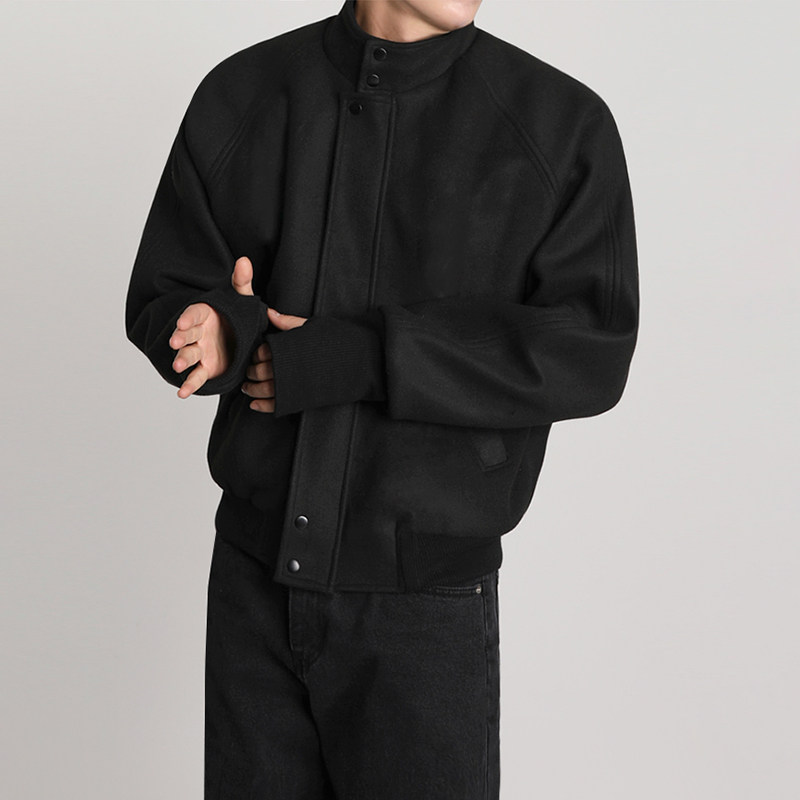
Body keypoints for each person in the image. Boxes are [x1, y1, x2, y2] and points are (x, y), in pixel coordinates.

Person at [124, 1, 639, 797]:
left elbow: (589, 349)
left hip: (424, 611)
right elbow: (168, 291)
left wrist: (367, 355)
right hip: (251, 588)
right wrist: (217, 329)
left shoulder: (559, 125)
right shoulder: (244, 92)